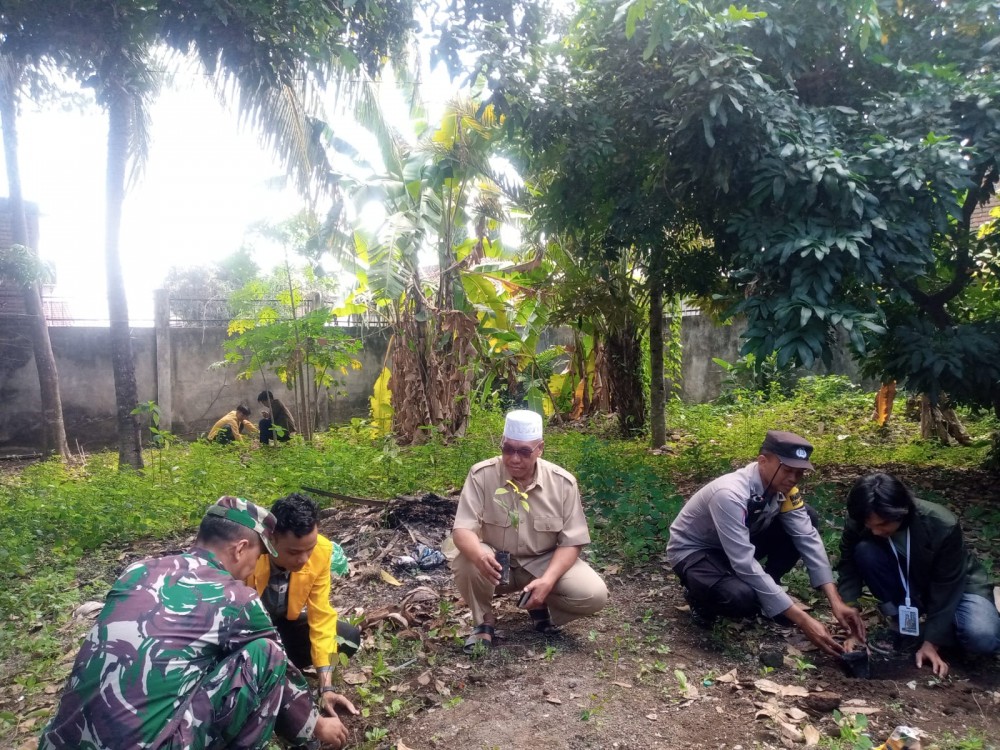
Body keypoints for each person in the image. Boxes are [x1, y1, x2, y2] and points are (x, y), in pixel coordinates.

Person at [39, 496, 356, 750]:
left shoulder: (136, 571)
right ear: (240, 548)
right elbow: (280, 668)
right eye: (258, 553)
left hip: (61, 740)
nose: (254, 564)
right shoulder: (236, 596)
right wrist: (314, 724)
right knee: (268, 654)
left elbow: (321, 616)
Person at [667, 430, 865, 657]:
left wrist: (835, 600)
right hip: (697, 552)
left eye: (800, 473)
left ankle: (770, 591)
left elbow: (807, 537)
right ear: (762, 461)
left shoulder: (786, 489)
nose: (793, 479)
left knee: (808, 517)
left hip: (738, 543)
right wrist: (803, 620)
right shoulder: (729, 493)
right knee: (740, 598)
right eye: (788, 470)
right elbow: (743, 561)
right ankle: (700, 597)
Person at [450, 409, 608, 653]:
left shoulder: (562, 483)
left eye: (524, 451)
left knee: (593, 594)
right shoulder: (482, 475)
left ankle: (539, 603)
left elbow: (572, 542)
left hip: (541, 563)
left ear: (540, 449)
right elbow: (462, 529)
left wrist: (548, 580)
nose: (514, 459)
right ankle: (483, 622)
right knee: (465, 560)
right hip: (495, 563)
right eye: (508, 449)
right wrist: (481, 557)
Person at [837, 472, 999, 677]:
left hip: (958, 585)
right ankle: (903, 625)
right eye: (871, 526)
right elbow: (848, 564)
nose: (876, 532)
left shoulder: (941, 523)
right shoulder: (861, 520)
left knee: (982, 638)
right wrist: (851, 613)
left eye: (883, 524)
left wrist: (932, 643)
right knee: (864, 551)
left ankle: (927, 632)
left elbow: (947, 585)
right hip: (910, 582)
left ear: (901, 512)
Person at [246, 493, 363, 716]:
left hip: (281, 628)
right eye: (294, 552)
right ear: (271, 538)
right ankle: (264, 676)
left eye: (309, 549)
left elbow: (321, 617)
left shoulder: (321, 551)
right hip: (249, 636)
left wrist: (326, 686)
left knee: (348, 639)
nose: (304, 559)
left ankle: (284, 669)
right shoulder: (250, 553)